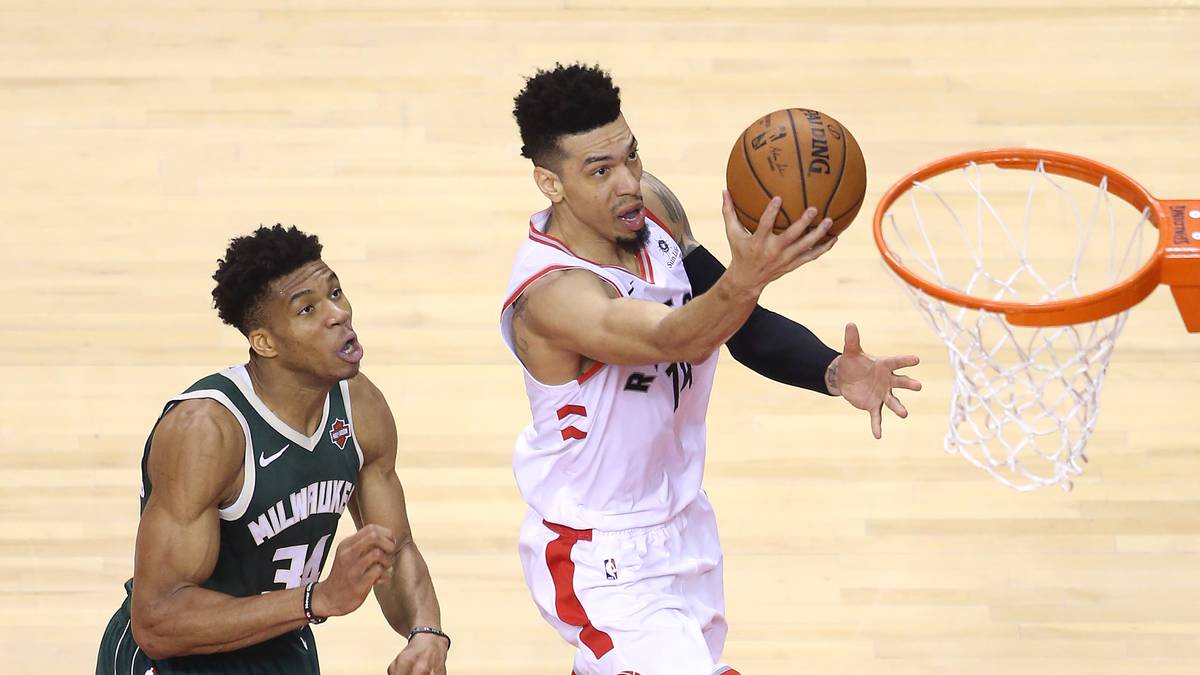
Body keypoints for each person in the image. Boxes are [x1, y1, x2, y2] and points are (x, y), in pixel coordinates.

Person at [501, 63, 922, 674]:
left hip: (685, 528)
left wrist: (830, 370)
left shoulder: (652, 212)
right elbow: (675, 336)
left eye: (631, 156)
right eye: (599, 170)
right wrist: (747, 275)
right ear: (551, 183)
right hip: (599, 553)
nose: (627, 183)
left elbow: (733, 322)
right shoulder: (554, 295)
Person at [96, 225, 449, 675]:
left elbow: (394, 549)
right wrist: (316, 598)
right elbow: (158, 620)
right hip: (173, 660)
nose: (338, 314)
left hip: (282, 644)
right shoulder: (207, 431)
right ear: (265, 342)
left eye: (336, 292)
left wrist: (425, 632)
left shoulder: (359, 407)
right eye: (308, 309)